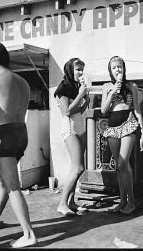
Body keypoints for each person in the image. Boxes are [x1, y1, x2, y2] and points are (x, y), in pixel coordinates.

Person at [0, 42, 37, 248]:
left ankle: (28, 234)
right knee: (4, 181)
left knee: (12, 186)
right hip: (21, 133)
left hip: (4, 135)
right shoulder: (23, 81)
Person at [101, 56, 143, 215]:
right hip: (112, 126)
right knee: (120, 169)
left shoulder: (131, 86)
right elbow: (104, 111)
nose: (117, 70)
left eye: (120, 66)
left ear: (124, 68)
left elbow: (137, 110)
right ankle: (122, 201)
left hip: (129, 123)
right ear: (110, 71)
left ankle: (132, 202)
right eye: (114, 67)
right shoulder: (107, 87)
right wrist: (112, 91)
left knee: (122, 163)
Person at [54, 58, 90, 215]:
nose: (81, 72)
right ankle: (62, 203)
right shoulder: (62, 88)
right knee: (78, 167)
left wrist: (86, 97)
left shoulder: (77, 87)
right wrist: (81, 94)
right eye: (78, 69)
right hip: (70, 128)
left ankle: (71, 202)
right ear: (69, 70)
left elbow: (79, 110)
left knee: (75, 168)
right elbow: (67, 111)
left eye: (82, 69)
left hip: (80, 126)